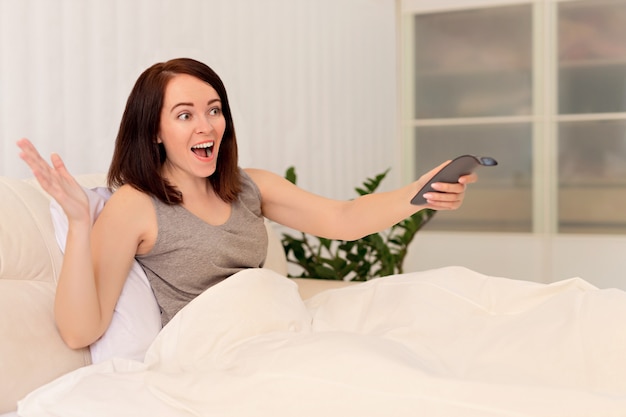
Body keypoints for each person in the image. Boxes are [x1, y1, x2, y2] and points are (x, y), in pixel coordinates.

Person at [17, 57, 477, 349]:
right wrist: (80, 222)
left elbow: (343, 218)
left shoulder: (250, 186)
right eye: (185, 115)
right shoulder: (136, 205)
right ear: (155, 131)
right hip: (218, 356)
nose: (207, 125)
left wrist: (420, 193)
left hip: (281, 331)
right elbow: (81, 330)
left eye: (214, 109)